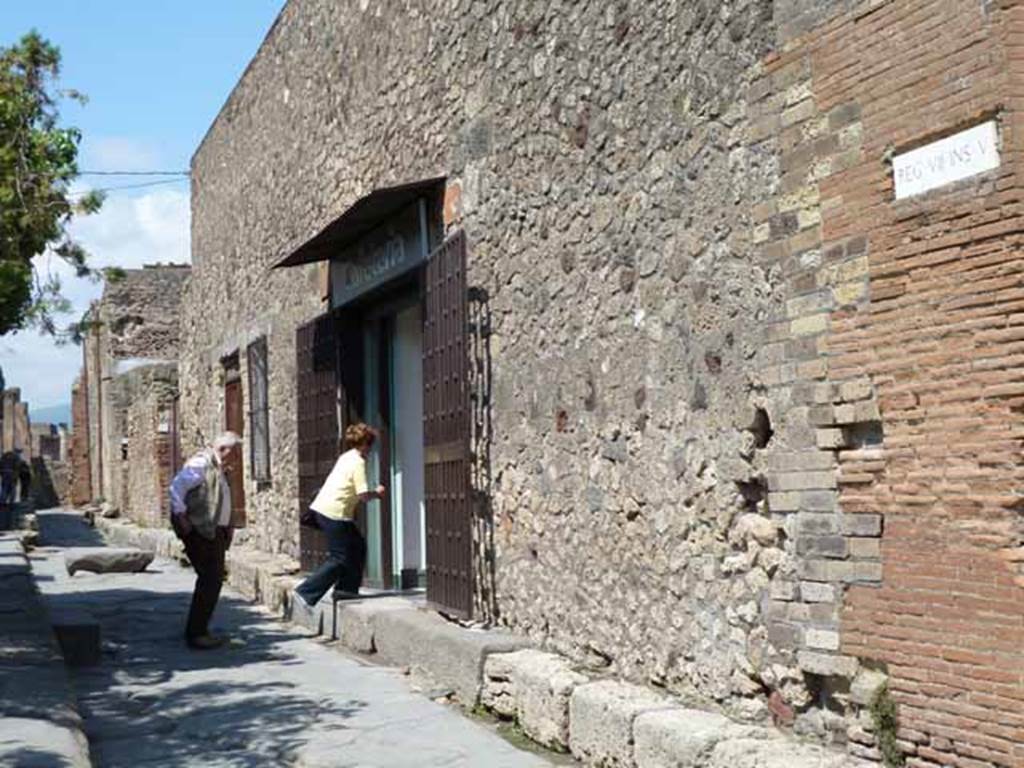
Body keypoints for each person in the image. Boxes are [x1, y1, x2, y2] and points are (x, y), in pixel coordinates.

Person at [294, 423, 385, 608]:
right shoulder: (358, 462)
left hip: (324, 508)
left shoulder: (346, 456)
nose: (371, 450)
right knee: (339, 557)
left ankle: (346, 590)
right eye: (371, 445)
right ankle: (306, 592)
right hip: (335, 513)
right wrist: (377, 493)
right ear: (366, 444)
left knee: (357, 546)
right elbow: (363, 495)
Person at [168, 432, 240, 650]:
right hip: (200, 530)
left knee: (212, 579)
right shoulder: (200, 464)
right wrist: (182, 518)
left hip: (213, 531)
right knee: (210, 579)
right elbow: (176, 489)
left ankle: (199, 630)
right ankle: (197, 633)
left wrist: (228, 525)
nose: (236, 458)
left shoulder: (217, 467)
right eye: (235, 453)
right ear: (224, 450)